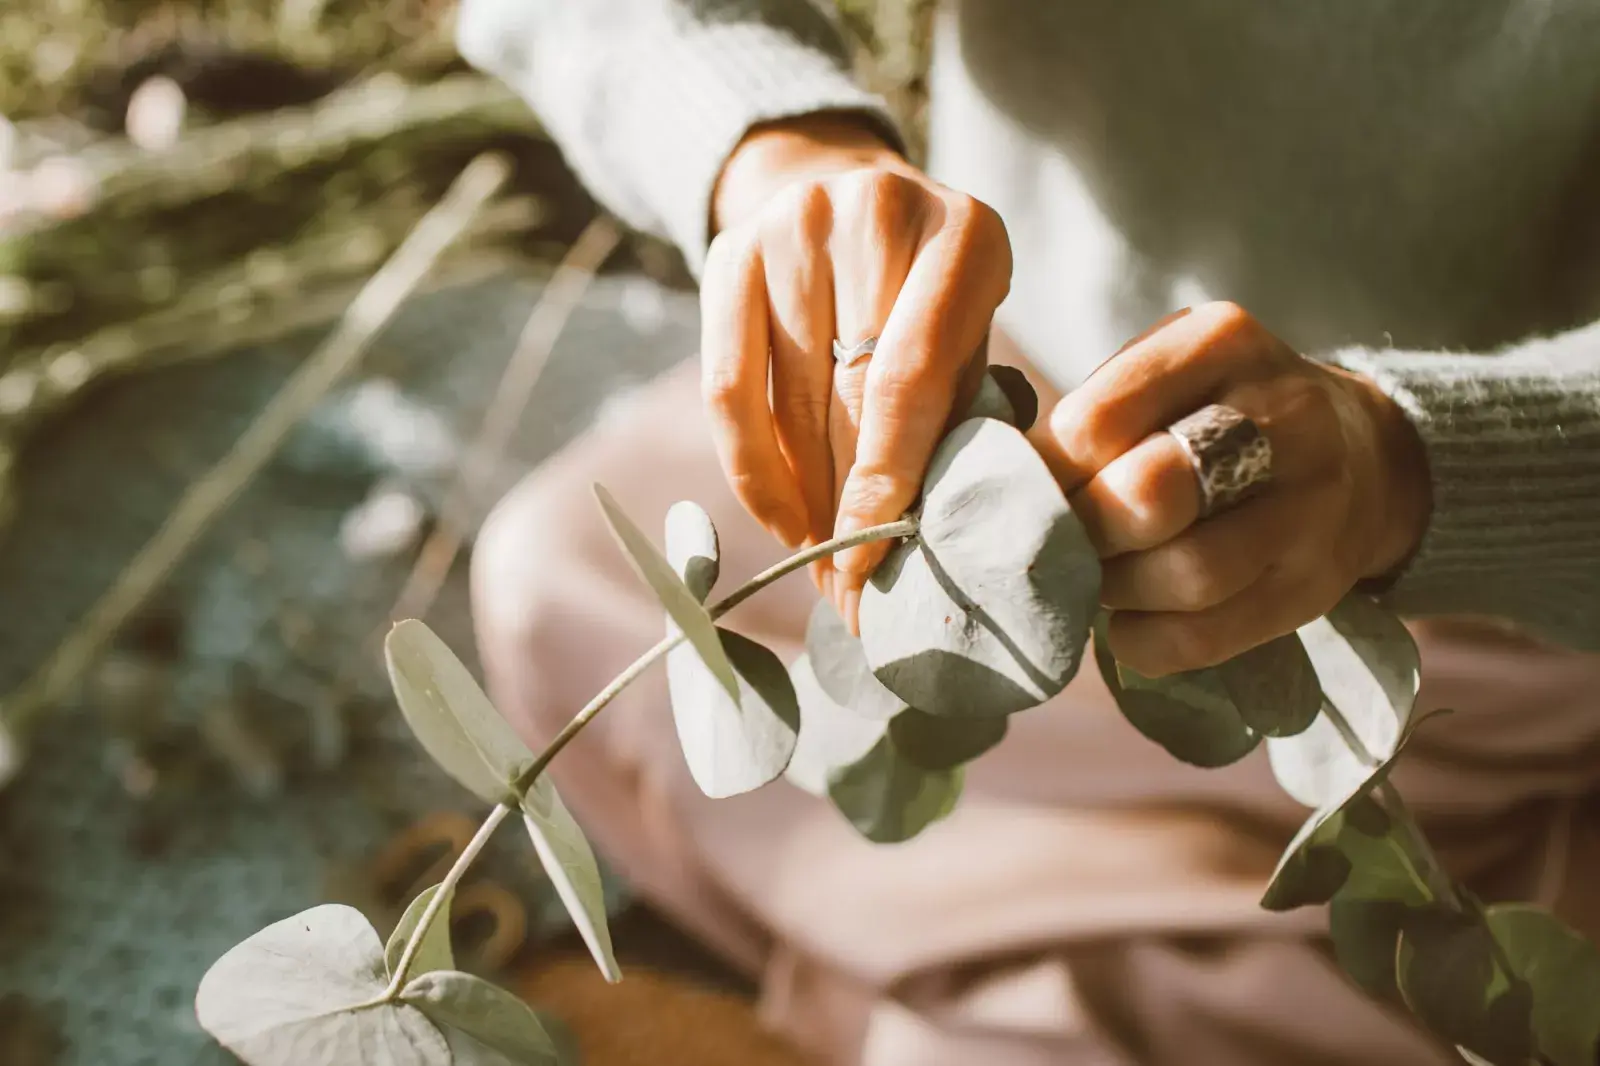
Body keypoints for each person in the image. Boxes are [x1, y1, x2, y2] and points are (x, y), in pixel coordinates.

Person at [456, 3, 1600, 1063]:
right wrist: (769, 143)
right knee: (553, 581)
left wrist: (1403, 461)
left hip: (1473, 566)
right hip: (993, 395)